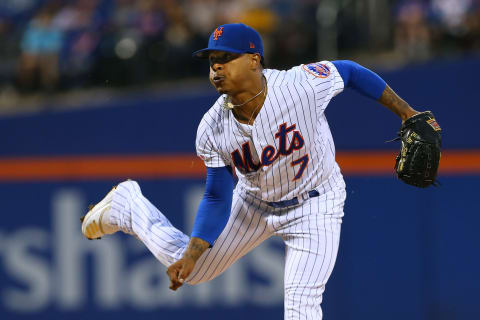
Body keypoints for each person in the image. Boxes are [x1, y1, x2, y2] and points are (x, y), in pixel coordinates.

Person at [81, 23, 419, 319]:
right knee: (195, 273)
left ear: (254, 60)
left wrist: (406, 113)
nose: (216, 69)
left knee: (302, 304)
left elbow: (349, 71)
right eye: (212, 62)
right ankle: (128, 205)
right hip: (255, 204)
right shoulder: (212, 128)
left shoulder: (298, 86)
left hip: (317, 202)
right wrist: (194, 253)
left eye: (225, 59)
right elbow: (216, 195)